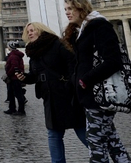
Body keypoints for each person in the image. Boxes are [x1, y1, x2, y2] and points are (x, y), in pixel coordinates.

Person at [63, 0, 131, 162]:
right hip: (90, 94)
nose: (67, 12)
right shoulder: (80, 31)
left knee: (96, 143)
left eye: (71, 8)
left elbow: (113, 60)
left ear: (81, 9)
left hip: (99, 93)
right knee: (111, 140)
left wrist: (85, 80)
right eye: (66, 9)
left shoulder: (99, 26)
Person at [17, 22, 87, 163]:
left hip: (67, 94)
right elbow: (35, 75)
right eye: (28, 31)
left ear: (41, 31)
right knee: (53, 134)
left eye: (32, 30)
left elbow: (72, 64)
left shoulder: (57, 44)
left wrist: (70, 84)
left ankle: (100, 156)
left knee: (81, 129)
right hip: (49, 96)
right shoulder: (33, 52)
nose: (29, 33)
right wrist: (25, 77)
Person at [4, 41, 27, 115]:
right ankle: (12, 108)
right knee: (11, 93)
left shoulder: (13, 56)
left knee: (18, 94)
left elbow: (14, 67)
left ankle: (20, 110)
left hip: (14, 77)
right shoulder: (15, 55)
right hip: (14, 77)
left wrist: (8, 73)